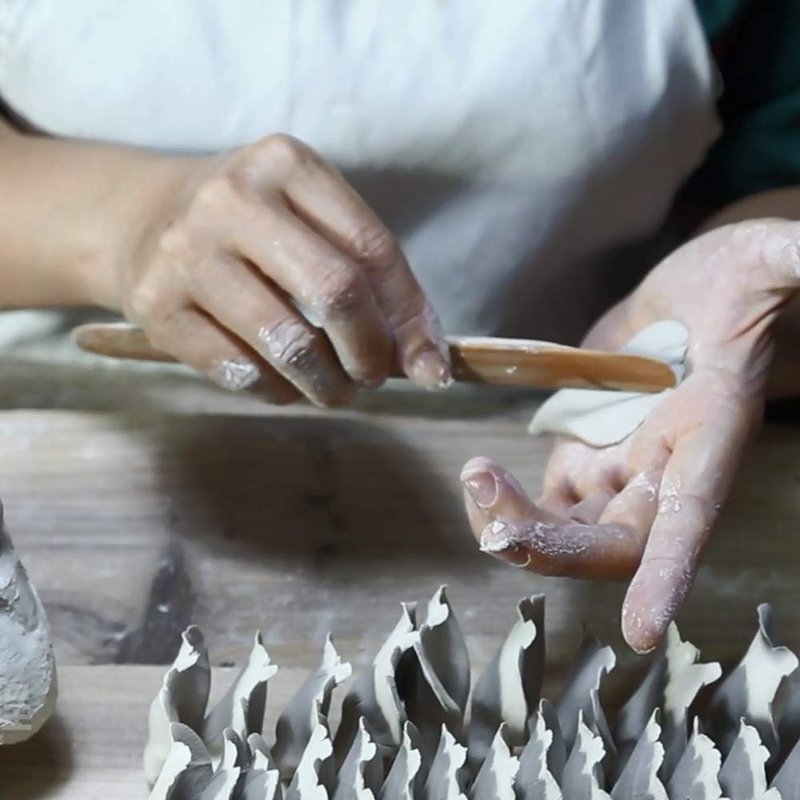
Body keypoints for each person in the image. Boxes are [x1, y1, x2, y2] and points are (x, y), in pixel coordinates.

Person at [0, 1, 799, 653]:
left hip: (559, 445)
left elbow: (772, 173)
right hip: (74, 450)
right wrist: (123, 223)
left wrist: (753, 311)